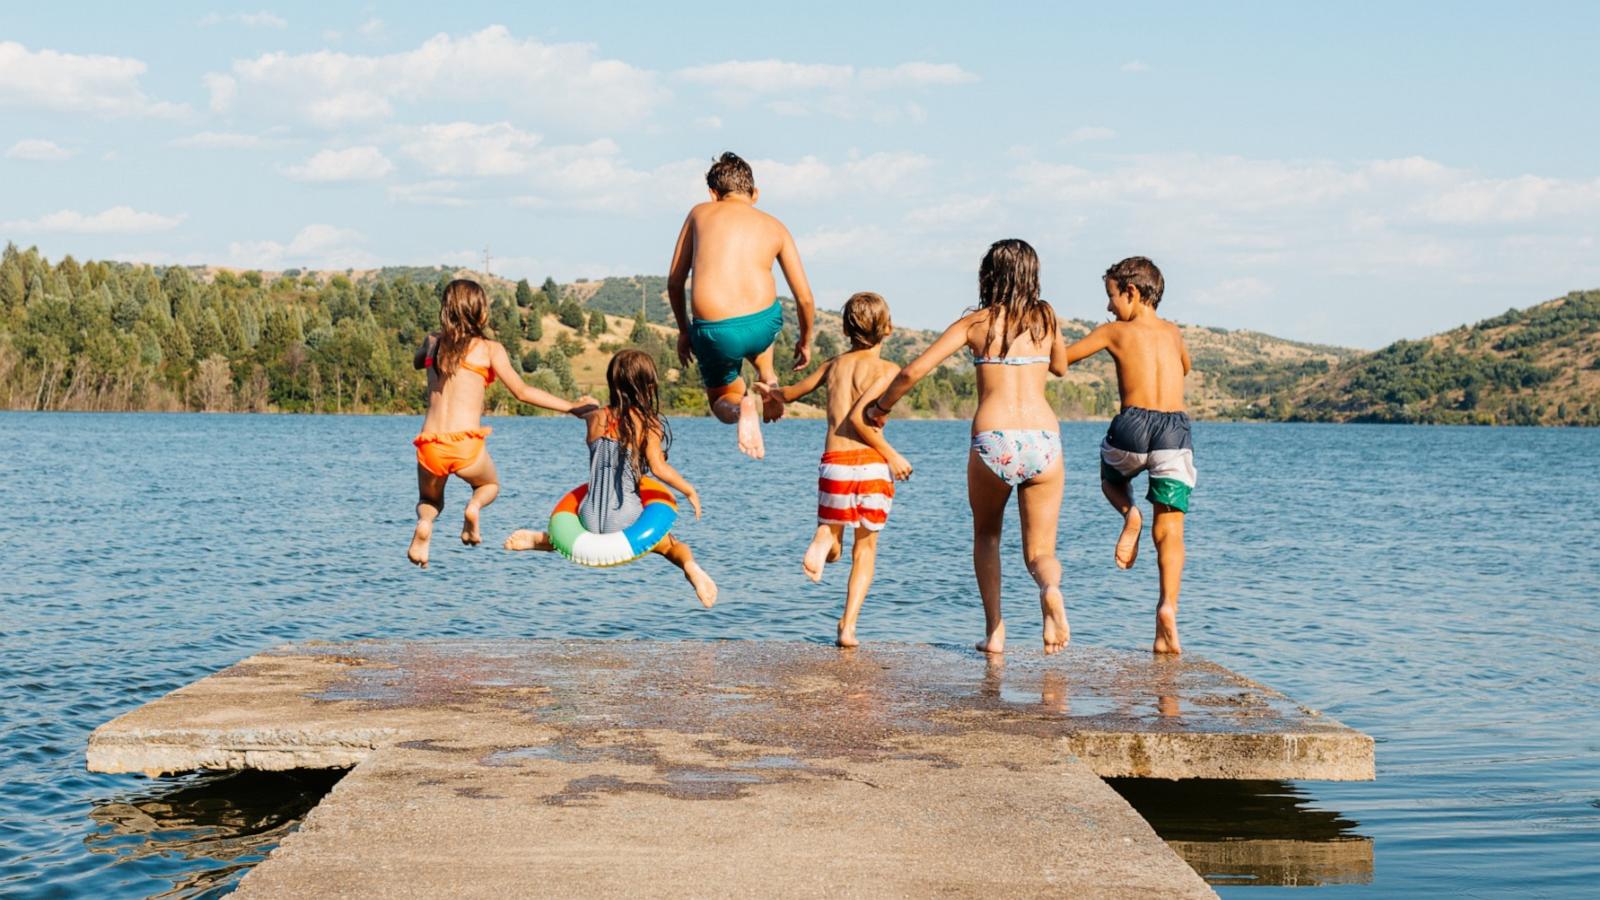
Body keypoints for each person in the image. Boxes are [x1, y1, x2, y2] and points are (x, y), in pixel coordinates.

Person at [864, 240, 1070, 655]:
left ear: (988, 275)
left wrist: (880, 406)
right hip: (1043, 440)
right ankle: (1049, 588)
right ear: (1033, 275)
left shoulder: (974, 324)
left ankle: (995, 632)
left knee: (988, 535)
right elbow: (1061, 367)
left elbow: (914, 370)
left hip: (994, 439)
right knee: (1040, 551)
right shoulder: (1046, 319)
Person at [503, 350, 718, 608]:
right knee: (672, 547)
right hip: (626, 515)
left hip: (589, 515)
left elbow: (560, 404)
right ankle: (691, 569)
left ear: (612, 383)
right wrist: (690, 491)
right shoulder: (648, 424)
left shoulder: (594, 417)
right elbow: (659, 469)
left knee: (578, 536)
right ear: (649, 386)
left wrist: (586, 403)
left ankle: (542, 540)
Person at [758, 292, 912, 647]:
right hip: (872, 465)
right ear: (888, 329)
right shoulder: (888, 371)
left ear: (845, 329)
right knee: (865, 550)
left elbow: (792, 394)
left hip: (836, 466)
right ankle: (848, 626)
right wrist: (892, 455)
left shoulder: (833, 366)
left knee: (834, 540)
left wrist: (771, 392)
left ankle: (825, 536)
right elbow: (864, 424)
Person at [409, 279, 594, 568]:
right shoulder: (489, 349)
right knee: (489, 484)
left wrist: (430, 354)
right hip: (466, 444)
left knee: (430, 501)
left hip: (429, 444)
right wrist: (571, 407)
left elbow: (417, 362)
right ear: (481, 313)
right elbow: (522, 392)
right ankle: (473, 507)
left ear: (445, 310)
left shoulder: (432, 342)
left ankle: (424, 526)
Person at [1062, 256, 1194, 654]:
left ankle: (1129, 513)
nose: (1108, 307)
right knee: (1171, 531)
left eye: (1112, 296)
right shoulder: (1173, 333)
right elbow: (1185, 368)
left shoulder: (1114, 331)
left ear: (1132, 293)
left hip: (1132, 426)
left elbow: (1061, 361)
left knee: (1111, 476)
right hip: (1174, 430)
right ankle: (1167, 609)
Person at [667, 151, 816, 460]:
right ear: (755, 194)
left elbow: (674, 281)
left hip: (715, 330)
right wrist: (806, 341)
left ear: (713, 194)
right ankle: (769, 379)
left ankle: (742, 407)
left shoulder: (700, 213)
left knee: (721, 398)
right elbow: (804, 298)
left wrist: (685, 332)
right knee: (765, 326)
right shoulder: (776, 226)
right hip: (763, 324)